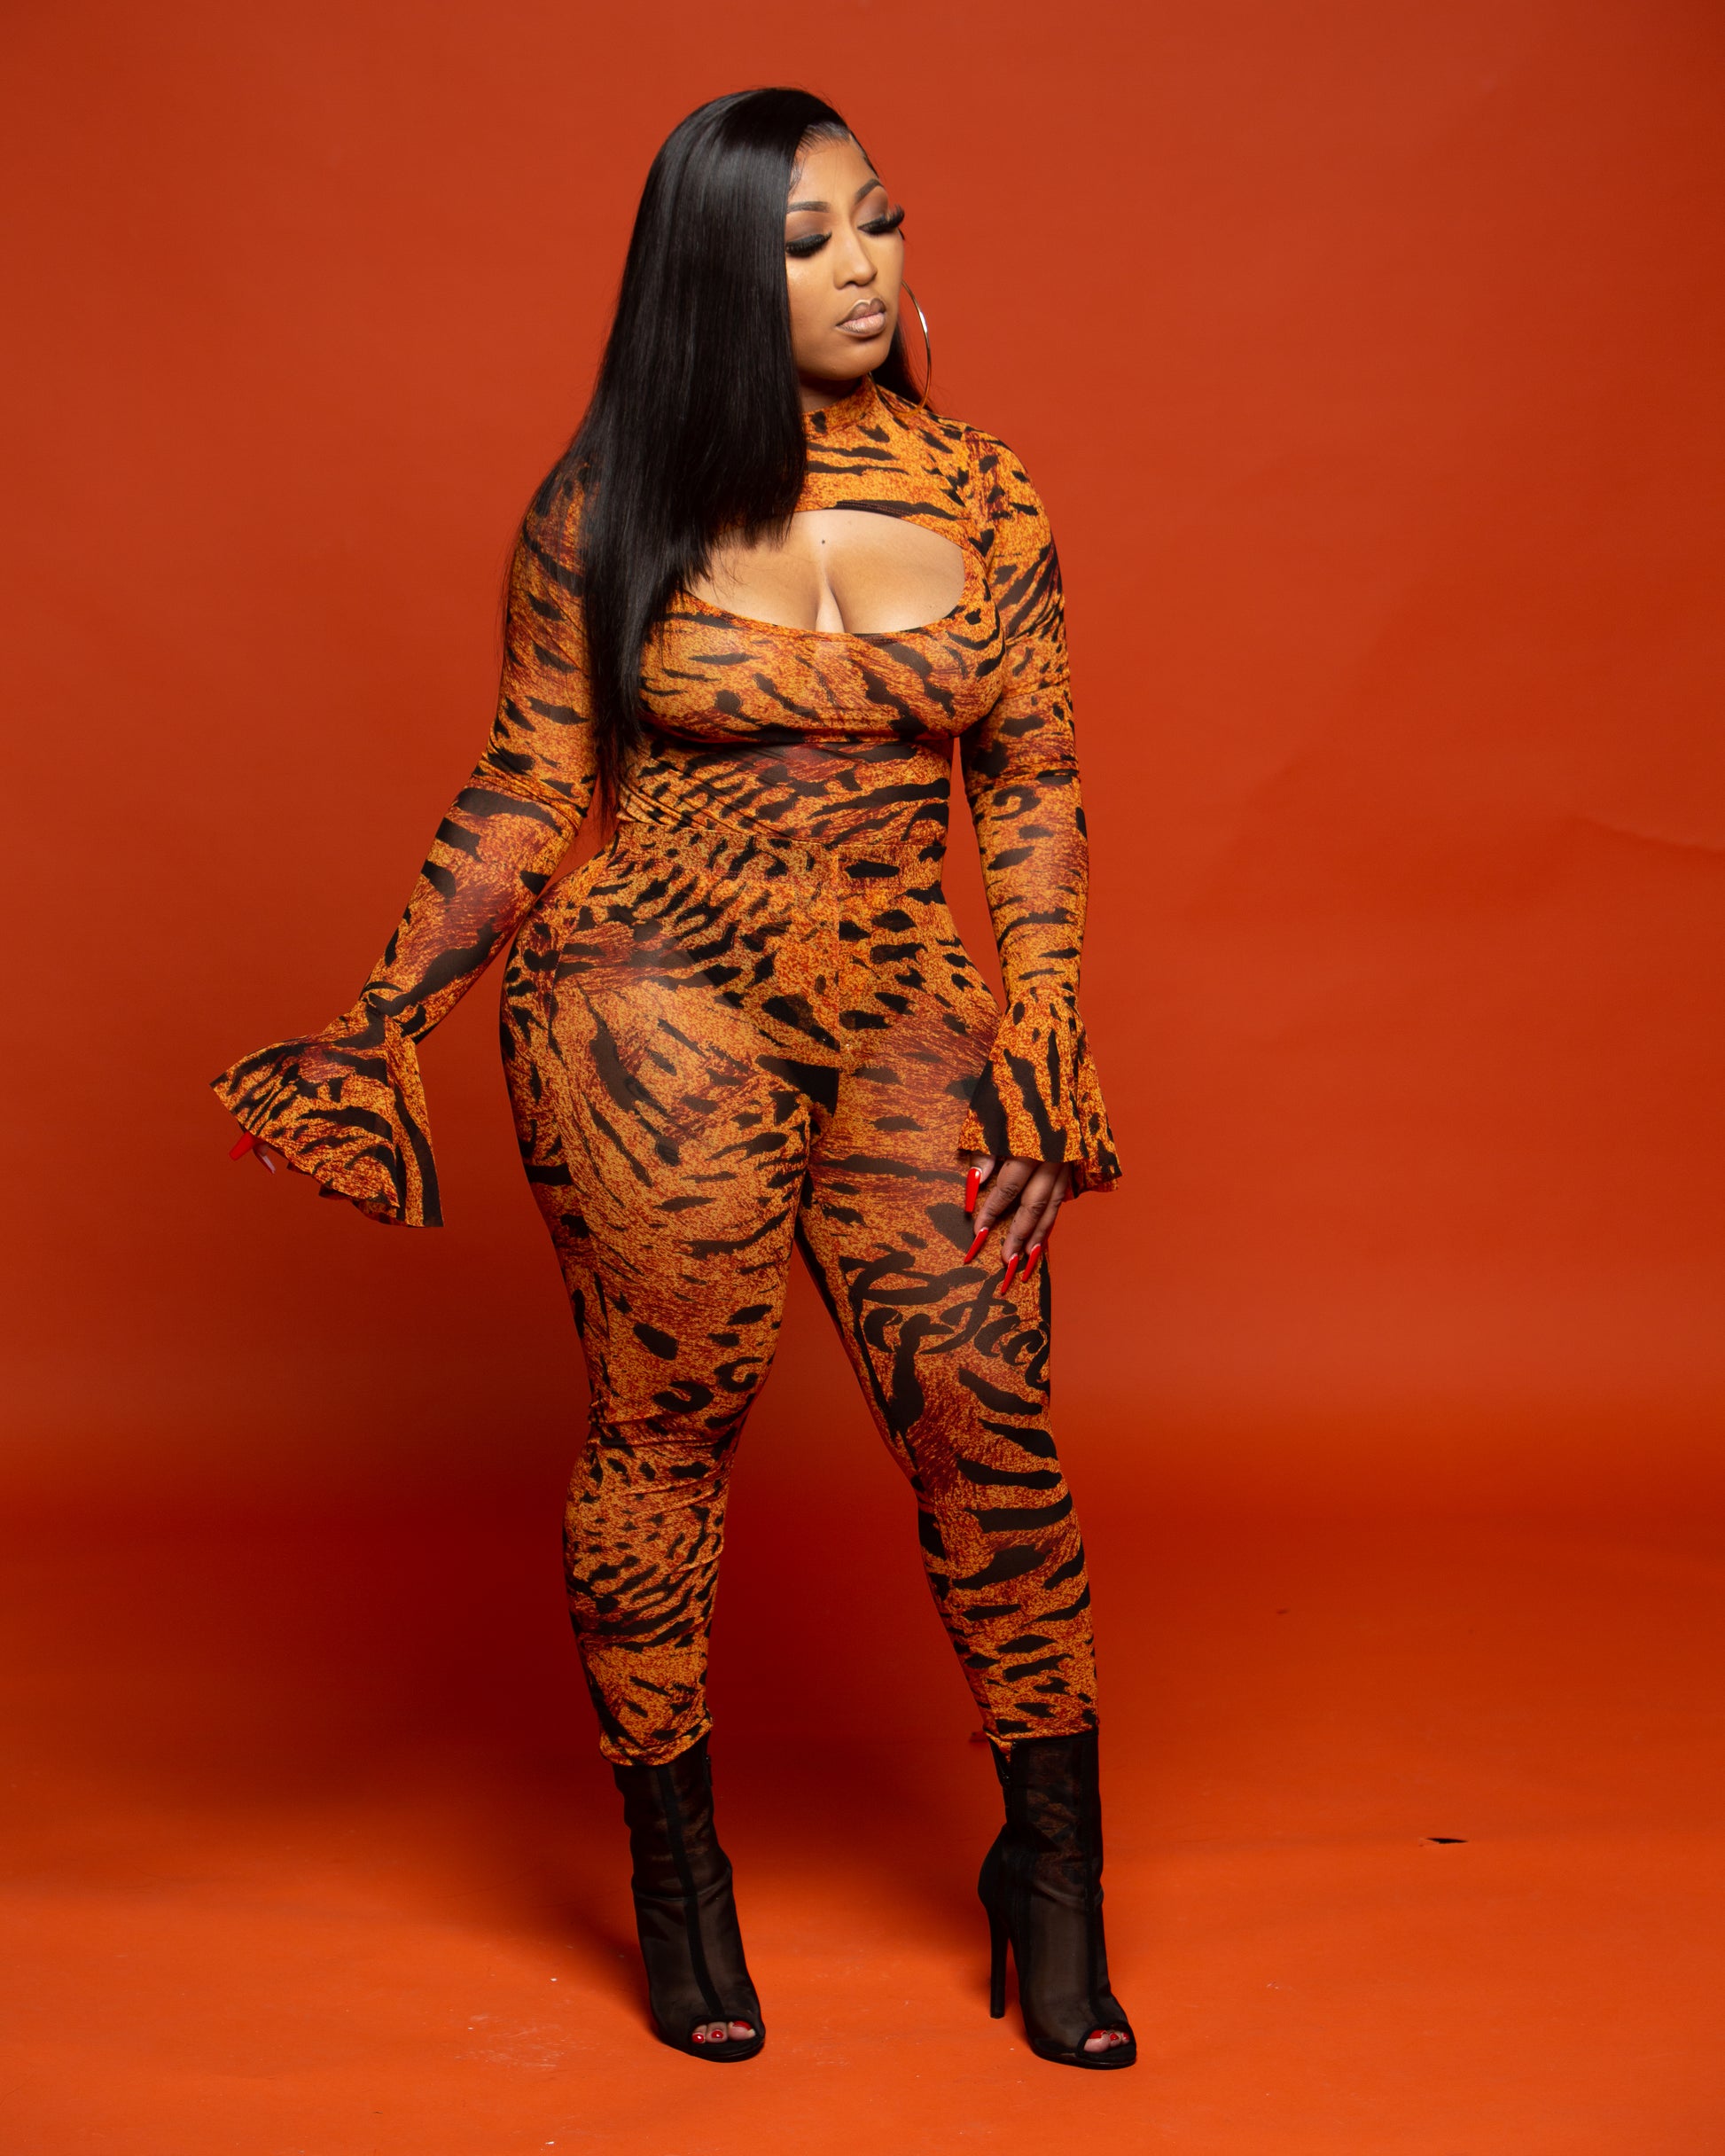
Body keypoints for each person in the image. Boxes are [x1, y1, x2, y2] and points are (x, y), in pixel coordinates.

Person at [214, 87, 1132, 2072]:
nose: (864, 267)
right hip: (647, 1009)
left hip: (906, 1001)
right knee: (668, 1427)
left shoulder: (986, 491)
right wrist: (381, 1016)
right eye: (806, 243)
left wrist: (1046, 1033)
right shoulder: (603, 504)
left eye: (878, 221)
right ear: (715, 275)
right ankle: (678, 1874)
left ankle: (1051, 1871)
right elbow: (531, 779)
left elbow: (1033, 778)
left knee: (988, 1422)